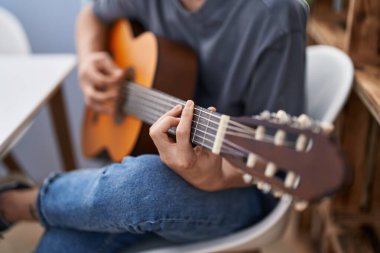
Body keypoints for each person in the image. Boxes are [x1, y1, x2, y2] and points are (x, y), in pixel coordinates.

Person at [0, 0, 308, 252]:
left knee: (140, 183)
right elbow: (91, 15)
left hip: (239, 187)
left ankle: (15, 202)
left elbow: (278, 159)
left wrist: (213, 177)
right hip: (152, 157)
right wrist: (90, 59)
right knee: (62, 243)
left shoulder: (275, 15)